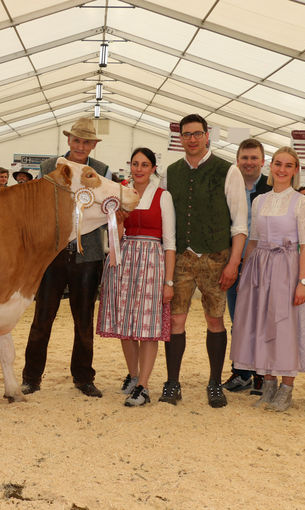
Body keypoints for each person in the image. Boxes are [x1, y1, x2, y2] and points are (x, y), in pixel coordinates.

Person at [21, 117, 112, 398]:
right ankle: (31, 377)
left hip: (89, 255)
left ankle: (84, 377)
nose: (81, 145)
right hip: (53, 254)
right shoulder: (49, 168)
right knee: (42, 318)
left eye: (87, 141)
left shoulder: (102, 171)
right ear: (69, 141)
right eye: (77, 140)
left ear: (93, 145)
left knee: (84, 320)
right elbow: (37, 204)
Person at [162, 113, 247, 408]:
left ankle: (214, 383)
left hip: (216, 258)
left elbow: (239, 222)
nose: (193, 139)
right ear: (180, 137)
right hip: (182, 257)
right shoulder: (170, 172)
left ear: (207, 135)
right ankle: (172, 383)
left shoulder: (229, 170)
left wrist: (234, 262)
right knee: (176, 320)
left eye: (197, 133)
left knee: (215, 320)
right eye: (187, 134)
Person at [230, 147, 305, 412]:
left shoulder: (301, 202)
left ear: (295, 170)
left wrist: (302, 282)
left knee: (285, 326)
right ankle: (268, 385)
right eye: (278, 164)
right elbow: (253, 239)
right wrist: (245, 272)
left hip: (287, 269)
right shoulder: (259, 201)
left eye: (289, 165)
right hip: (260, 268)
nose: (282, 170)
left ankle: (286, 388)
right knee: (262, 325)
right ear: (271, 166)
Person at [97, 148, 176, 406]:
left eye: (144, 164)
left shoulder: (163, 197)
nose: (139, 169)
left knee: (148, 327)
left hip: (152, 261)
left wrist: (169, 281)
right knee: (126, 324)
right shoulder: (121, 194)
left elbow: (170, 243)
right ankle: (132, 376)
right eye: (135, 164)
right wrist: (119, 222)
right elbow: (114, 237)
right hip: (124, 259)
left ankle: (143, 385)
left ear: (153, 168)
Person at [223, 138, 272, 395]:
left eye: (254, 158)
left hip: (266, 264)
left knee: (263, 319)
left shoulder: (273, 186)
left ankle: (262, 374)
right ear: (237, 160)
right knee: (239, 319)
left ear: (263, 161)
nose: (249, 163)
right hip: (235, 262)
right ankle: (241, 373)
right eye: (245, 158)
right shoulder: (230, 186)